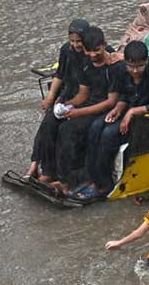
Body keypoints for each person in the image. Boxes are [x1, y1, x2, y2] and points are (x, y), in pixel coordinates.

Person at [75, 41, 149, 201]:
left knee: (108, 134)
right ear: (125, 63)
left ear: (147, 61)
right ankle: (93, 177)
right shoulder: (122, 69)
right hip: (129, 110)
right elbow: (124, 94)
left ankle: (105, 184)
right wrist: (118, 109)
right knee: (95, 127)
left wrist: (133, 112)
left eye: (139, 67)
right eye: (131, 66)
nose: (135, 71)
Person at [53, 26, 125, 194]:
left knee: (69, 130)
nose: (93, 55)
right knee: (59, 124)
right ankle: (61, 175)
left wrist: (78, 113)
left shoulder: (113, 67)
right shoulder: (86, 63)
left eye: (97, 51)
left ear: (104, 45)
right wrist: (68, 106)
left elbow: (110, 102)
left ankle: (70, 181)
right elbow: (83, 93)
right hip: (90, 104)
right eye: (89, 51)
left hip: (105, 109)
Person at [26, 19, 89, 181]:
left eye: (79, 41)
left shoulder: (92, 53)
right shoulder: (66, 51)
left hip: (86, 103)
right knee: (48, 124)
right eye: (72, 41)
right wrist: (51, 97)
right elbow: (59, 75)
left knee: (65, 131)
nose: (76, 45)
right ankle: (44, 169)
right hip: (68, 98)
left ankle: (63, 177)